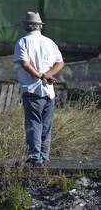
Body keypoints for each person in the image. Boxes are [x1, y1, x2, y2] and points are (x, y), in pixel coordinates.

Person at [14, 11, 65, 166]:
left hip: (32, 89)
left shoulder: (22, 42)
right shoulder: (50, 42)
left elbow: (25, 64)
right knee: (46, 126)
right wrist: (48, 75)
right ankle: (44, 157)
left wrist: (41, 76)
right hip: (49, 92)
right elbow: (60, 63)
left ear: (27, 26)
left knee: (33, 124)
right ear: (39, 26)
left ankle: (35, 157)